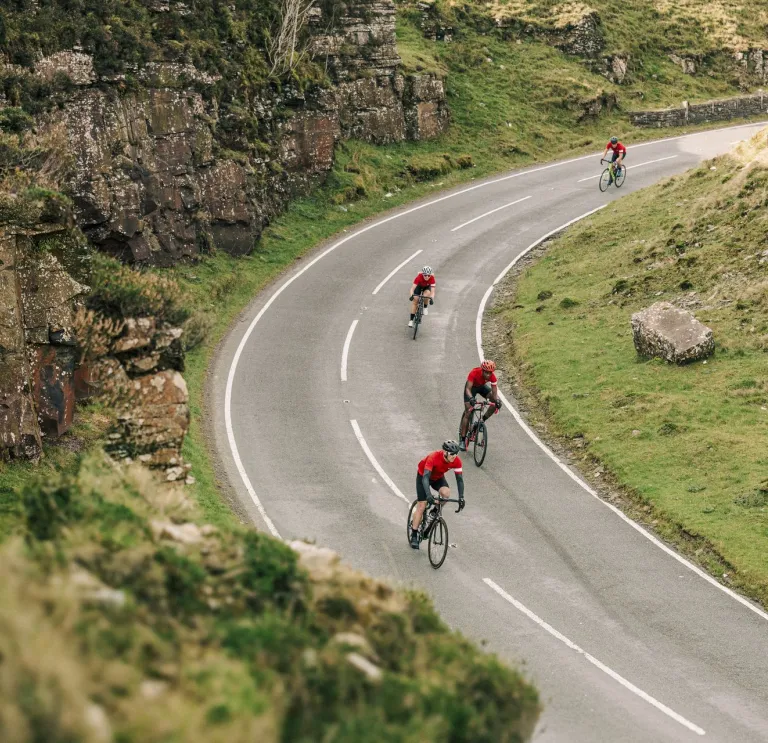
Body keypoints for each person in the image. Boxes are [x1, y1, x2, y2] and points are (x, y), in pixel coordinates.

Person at [410, 440, 465, 549]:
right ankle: (414, 534)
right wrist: (429, 495)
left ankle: (435, 510)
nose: (454, 456)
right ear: (445, 452)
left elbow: (459, 480)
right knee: (422, 506)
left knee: (446, 493)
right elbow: (425, 478)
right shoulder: (433, 457)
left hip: (437, 478)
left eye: (456, 454)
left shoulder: (456, 461)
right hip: (423, 477)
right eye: (452, 454)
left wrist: (461, 497)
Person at [459, 360, 501, 450]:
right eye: (486, 372)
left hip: (481, 387)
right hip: (471, 388)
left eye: (490, 373)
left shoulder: (492, 377)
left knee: (495, 402)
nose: (488, 375)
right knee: (468, 412)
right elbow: (468, 389)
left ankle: (481, 422)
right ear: (482, 370)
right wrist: (471, 398)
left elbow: (494, 393)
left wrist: (497, 400)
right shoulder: (474, 372)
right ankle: (462, 440)